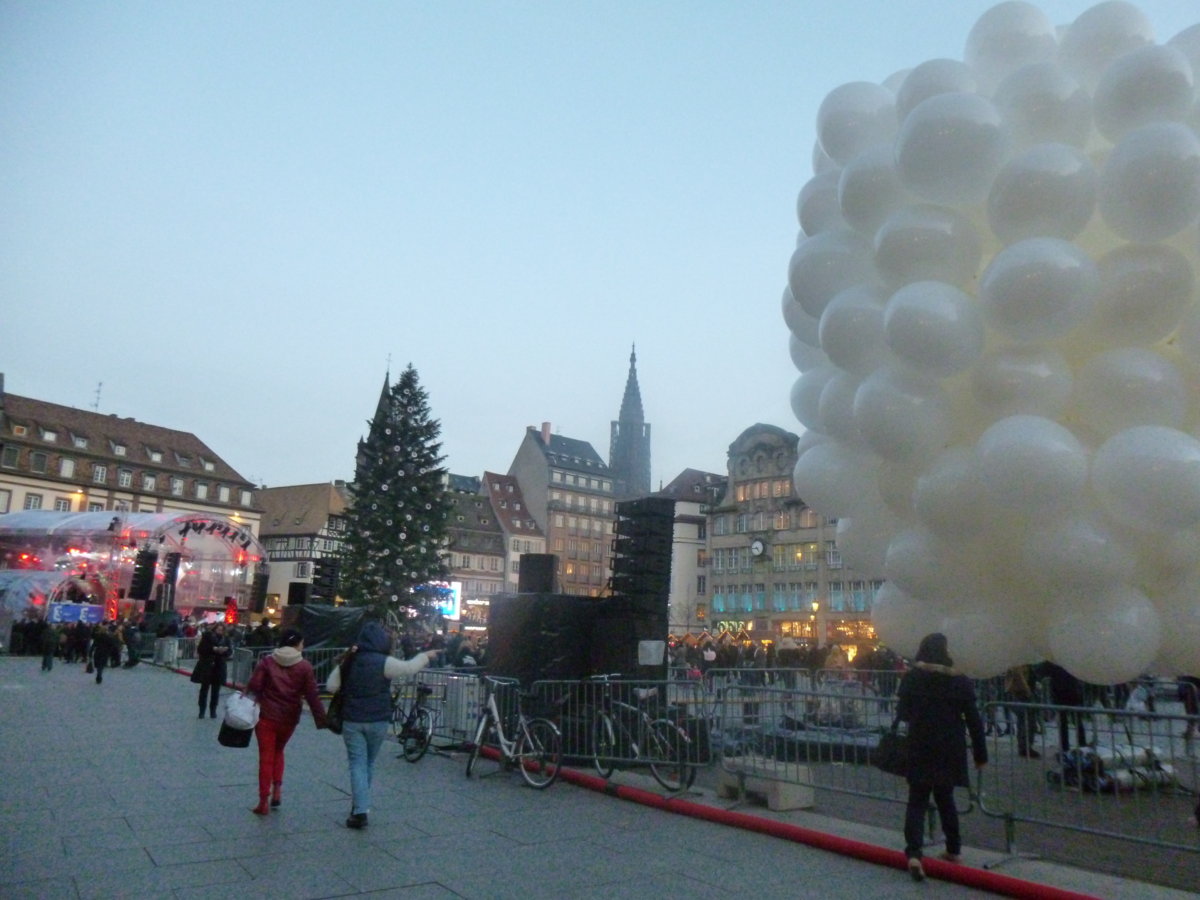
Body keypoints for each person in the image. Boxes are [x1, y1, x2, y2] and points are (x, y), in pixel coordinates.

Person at [326, 620, 438, 829]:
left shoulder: (349, 661)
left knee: (357, 764)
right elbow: (409, 668)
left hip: (352, 719)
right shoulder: (384, 662)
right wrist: (425, 656)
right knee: (368, 763)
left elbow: (331, 686)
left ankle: (359, 810)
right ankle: (360, 805)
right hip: (378, 719)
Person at [896, 633, 988, 882]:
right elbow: (974, 720)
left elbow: (903, 713)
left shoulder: (913, 677)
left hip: (920, 743)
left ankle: (914, 853)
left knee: (917, 800)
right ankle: (953, 849)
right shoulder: (959, 680)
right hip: (950, 746)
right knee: (945, 798)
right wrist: (980, 754)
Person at [245, 628, 327, 815]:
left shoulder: (267, 661)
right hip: (289, 717)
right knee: (279, 751)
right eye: (302, 643)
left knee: (266, 757)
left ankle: (263, 801)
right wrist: (322, 719)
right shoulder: (304, 666)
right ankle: (277, 791)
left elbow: (255, 685)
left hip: (266, 715)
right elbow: (312, 695)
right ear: (297, 644)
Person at [192, 623, 232, 719]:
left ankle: (213, 710)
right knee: (204, 689)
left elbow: (230, 651)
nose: (220, 631)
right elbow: (201, 649)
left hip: (219, 666)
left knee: (216, 691)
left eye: (221, 630)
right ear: (214, 629)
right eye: (218, 629)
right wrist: (212, 649)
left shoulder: (226, 639)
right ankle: (202, 711)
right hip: (207, 665)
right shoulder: (207, 637)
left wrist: (224, 651)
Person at [1004, 664, 1039, 758]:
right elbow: (1019, 676)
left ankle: (1024, 746)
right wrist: (1028, 691)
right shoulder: (1020, 664)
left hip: (1021, 694)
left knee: (1023, 721)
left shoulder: (1021, 664)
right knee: (1027, 722)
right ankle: (1025, 747)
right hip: (1022, 694)